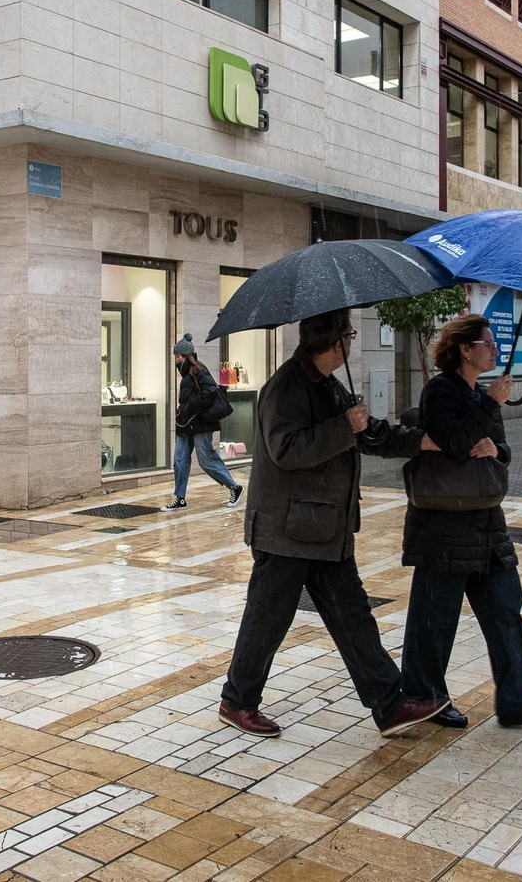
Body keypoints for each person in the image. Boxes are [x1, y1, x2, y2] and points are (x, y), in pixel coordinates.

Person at [219, 308, 446, 739]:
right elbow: (286, 448)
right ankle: (238, 701)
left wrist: (419, 441)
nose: (353, 342)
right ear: (335, 341)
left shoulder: (327, 384)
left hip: (323, 529)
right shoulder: (286, 386)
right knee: (268, 619)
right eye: (350, 334)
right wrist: (343, 426)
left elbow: (366, 431)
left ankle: (390, 704)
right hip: (286, 530)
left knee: (354, 617)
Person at [399, 313, 522, 731]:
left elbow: (499, 446)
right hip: (444, 524)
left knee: (506, 610)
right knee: (434, 620)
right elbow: (452, 442)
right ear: (464, 350)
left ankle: (518, 701)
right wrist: (490, 404)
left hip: (486, 520)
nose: (495, 350)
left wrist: (497, 448)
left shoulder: (482, 392)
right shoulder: (441, 391)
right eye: (487, 344)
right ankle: (425, 697)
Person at [160, 334, 243, 512]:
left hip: (200, 423)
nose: (176, 360)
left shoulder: (199, 370)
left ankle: (234, 487)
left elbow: (211, 391)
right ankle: (180, 498)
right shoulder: (186, 374)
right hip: (185, 423)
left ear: (187, 356)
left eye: (179, 357)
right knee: (179, 460)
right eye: (176, 357)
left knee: (206, 460)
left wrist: (192, 407)